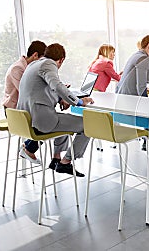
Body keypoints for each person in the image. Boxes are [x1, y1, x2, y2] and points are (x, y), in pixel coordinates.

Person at [17, 43, 94, 177]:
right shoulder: (49, 64)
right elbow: (56, 85)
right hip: (40, 119)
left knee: (63, 122)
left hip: (25, 118)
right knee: (89, 124)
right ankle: (66, 162)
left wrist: (60, 99)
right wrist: (79, 101)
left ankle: (56, 159)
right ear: (61, 59)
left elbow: (39, 90)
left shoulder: (33, 64)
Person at [2, 40, 47, 164]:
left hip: (23, 109)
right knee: (47, 120)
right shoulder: (18, 68)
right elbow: (27, 91)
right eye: (42, 60)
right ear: (35, 55)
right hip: (14, 112)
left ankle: (28, 146)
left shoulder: (28, 68)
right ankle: (28, 149)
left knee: (47, 116)